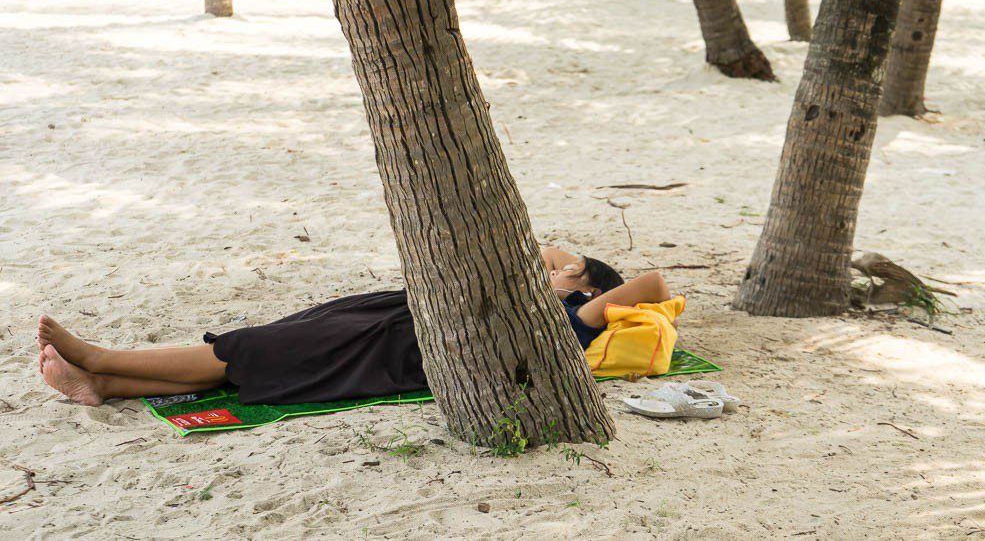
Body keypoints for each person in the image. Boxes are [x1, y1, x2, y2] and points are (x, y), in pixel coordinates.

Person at [37, 247, 672, 407]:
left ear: (591, 291)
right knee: (268, 353)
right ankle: (106, 388)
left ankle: (98, 357)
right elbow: (540, 250)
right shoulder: (547, 296)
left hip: (401, 343)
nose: (553, 271)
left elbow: (651, 285)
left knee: (252, 350)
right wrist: (565, 266)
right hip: (391, 320)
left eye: (570, 274)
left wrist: (583, 279)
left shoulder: (573, 318)